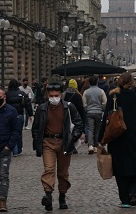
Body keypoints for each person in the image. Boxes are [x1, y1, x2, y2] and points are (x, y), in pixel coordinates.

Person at [99, 72, 136, 208]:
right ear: (132, 82)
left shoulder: (113, 97)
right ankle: (133, 190)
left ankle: (125, 199)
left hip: (116, 137)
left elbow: (106, 119)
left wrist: (100, 138)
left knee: (119, 168)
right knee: (134, 165)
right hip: (133, 136)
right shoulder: (135, 97)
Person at [31, 82, 84, 211]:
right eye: (51, 95)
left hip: (64, 142)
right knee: (49, 169)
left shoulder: (69, 107)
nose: (54, 98)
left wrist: (74, 137)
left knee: (63, 172)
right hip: (48, 142)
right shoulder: (42, 108)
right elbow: (36, 127)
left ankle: (62, 196)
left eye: (56, 95)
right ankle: (48, 195)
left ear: (61, 94)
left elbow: (79, 123)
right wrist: (38, 139)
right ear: (47, 95)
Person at [6, 79, 33, 156]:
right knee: (18, 132)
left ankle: (12, 148)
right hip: (19, 115)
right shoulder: (22, 93)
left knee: (10, 132)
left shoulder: (7, 94)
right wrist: (30, 114)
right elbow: (28, 104)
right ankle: (18, 149)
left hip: (8, 116)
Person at [83, 75, 107, 154]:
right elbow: (105, 102)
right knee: (97, 129)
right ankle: (96, 145)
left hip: (89, 112)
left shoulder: (86, 92)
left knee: (90, 129)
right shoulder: (101, 91)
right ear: (97, 82)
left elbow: (84, 104)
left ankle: (90, 145)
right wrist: (101, 108)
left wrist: (87, 109)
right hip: (99, 112)